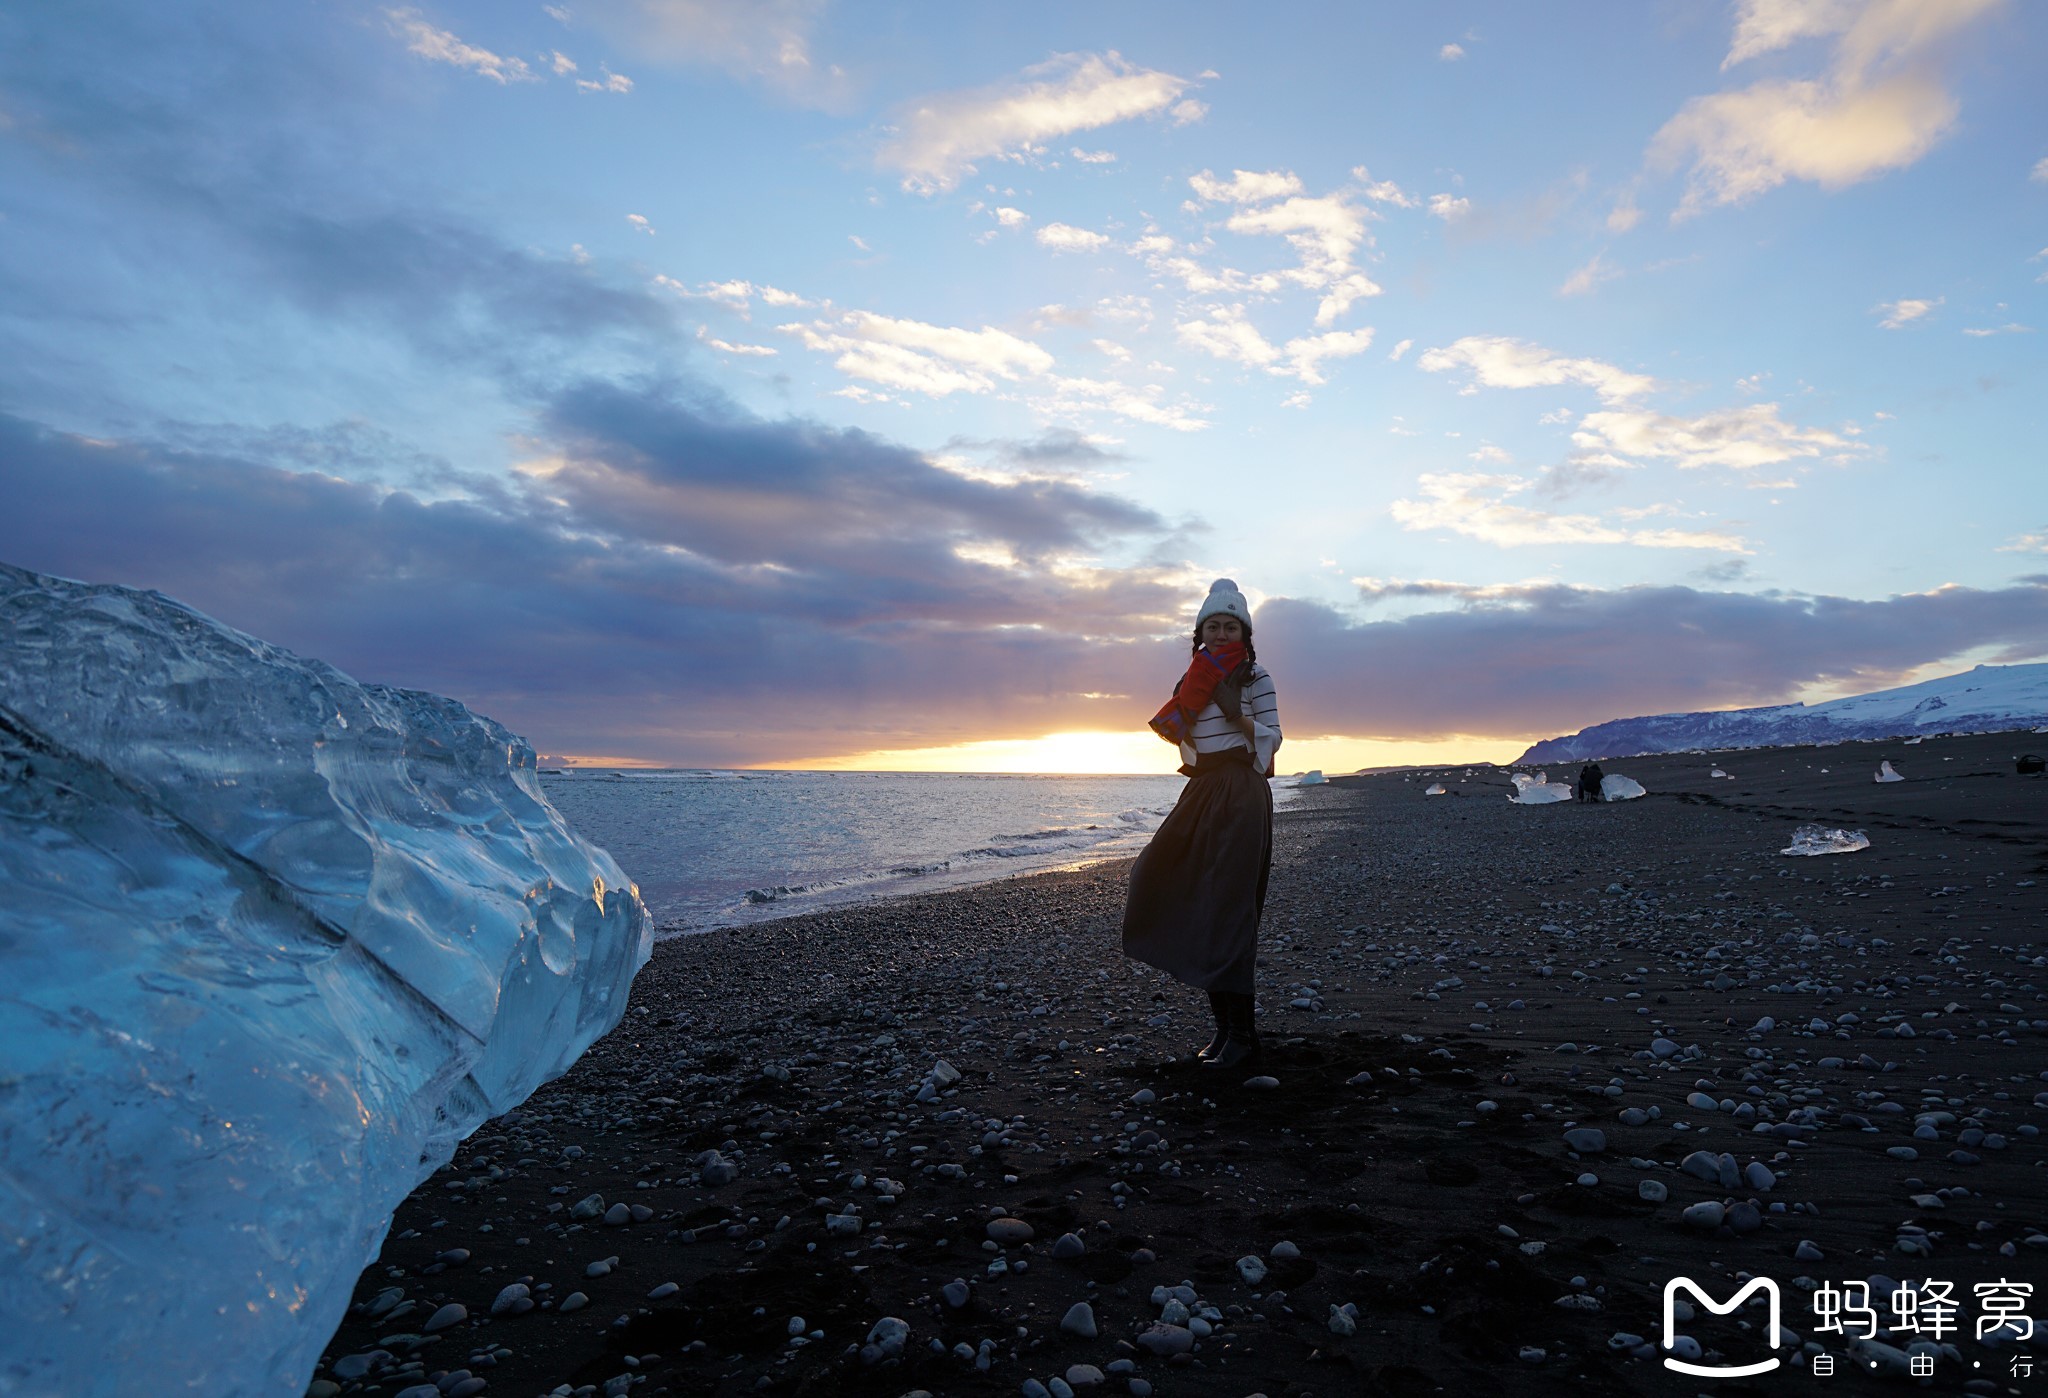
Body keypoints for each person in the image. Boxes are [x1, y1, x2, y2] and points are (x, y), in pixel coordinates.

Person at [1121, 578, 1282, 1069]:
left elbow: (1273, 739)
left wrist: (1238, 716)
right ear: (1199, 632)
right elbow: (1187, 743)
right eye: (1212, 625)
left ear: (1244, 632)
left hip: (1240, 791)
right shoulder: (1189, 681)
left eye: (1229, 625)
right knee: (1154, 876)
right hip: (1201, 789)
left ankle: (1241, 1036)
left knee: (1228, 909)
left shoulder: (1257, 679)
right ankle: (1222, 1032)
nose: (1220, 633)